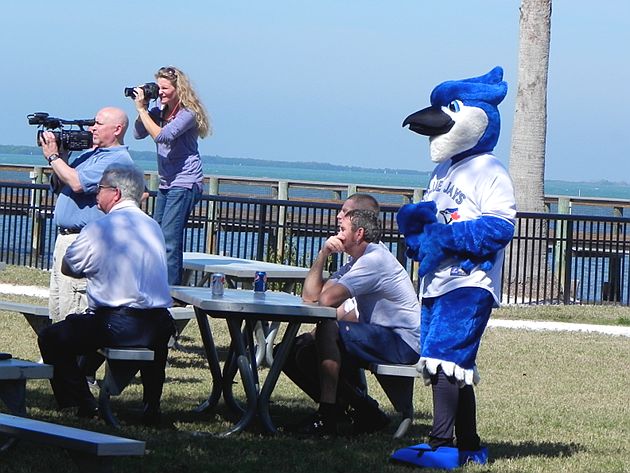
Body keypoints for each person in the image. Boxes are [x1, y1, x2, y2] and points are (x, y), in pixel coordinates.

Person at [38, 163, 175, 425]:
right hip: (159, 325)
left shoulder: (100, 228)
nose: (95, 194)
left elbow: (70, 266)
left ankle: (81, 402)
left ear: (115, 193)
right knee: (91, 329)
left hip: (119, 323)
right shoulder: (152, 227)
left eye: (99, 189)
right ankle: (151, 407)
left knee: (51, 336)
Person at [291, 209, 421, 435]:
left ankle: (328, 415)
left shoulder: (373, 261)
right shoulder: (358, 261)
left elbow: (327, 300)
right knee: (298, 350)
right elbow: (311, 296)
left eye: (342, 230)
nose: (338, 234)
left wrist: (327, 292)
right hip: (385, 336)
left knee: (328, 328)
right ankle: (364, 411)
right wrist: (323, 253)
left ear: (359, 233)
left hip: (402, 341)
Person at [40, 107, 134, 323]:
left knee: (74, 309)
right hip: (65, 239)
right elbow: (60, 183)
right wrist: (62, 157)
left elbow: (76, 183)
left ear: (117, 129)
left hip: (83, 239)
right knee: (58, 307)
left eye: (99, 124)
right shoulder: (90, 155)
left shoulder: (117, 160)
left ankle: (73, 356)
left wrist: (54, 156)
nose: (92, 128)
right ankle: (60, 355)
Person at [131, 65, 211, 285]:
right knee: (156, 235)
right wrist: (146, 109)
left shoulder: (188, 114)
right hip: (167, 183)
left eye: (165, 88)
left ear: (178, 88)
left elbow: (163, 137)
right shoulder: (159, 111)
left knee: (169, 238)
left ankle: (171, 292)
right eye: (158, 88)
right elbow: (138, 133)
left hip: (185, 181)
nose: (161, 92)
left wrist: (141, 112)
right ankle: (154, 283)